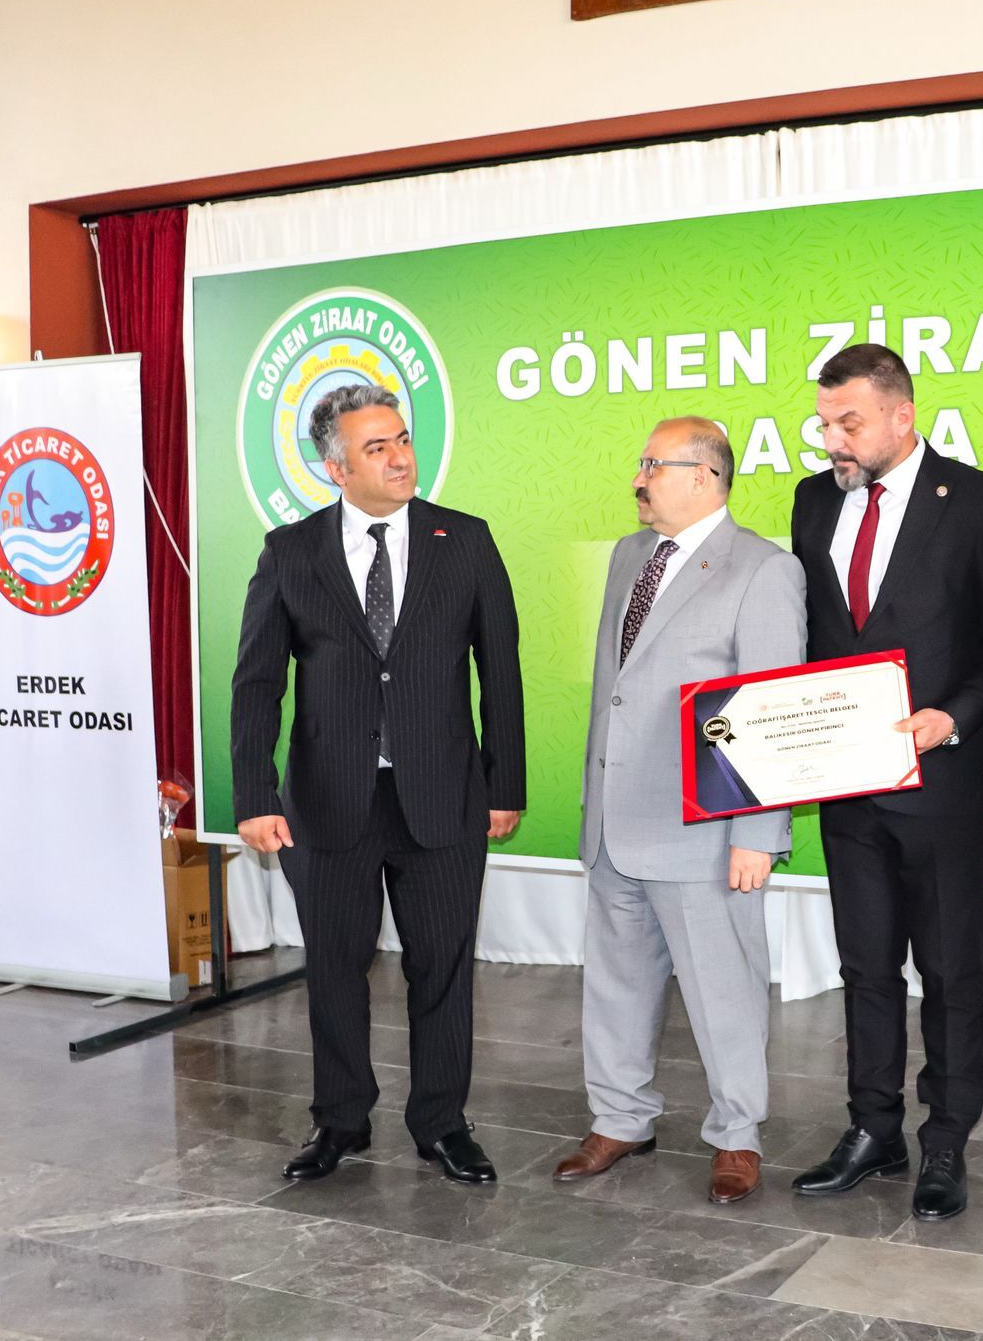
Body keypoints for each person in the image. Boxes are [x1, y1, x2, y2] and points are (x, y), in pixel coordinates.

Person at [231, 383, 524, 1185]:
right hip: (328, 801)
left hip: (444, 796)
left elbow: (500, 669)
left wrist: (505, 784)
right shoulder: (290, 551)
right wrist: (254, 796)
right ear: (335, 468)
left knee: (443, 966)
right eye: (376, 447)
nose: (399, 457)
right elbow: (257, 684)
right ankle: (339, 1120)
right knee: (334, 967)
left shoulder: (465, 539)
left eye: (402, 439)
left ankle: (442, 1123)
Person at [556, 416, 807, 1205]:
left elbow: (771, 709)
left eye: (652, 465)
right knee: (616, 985)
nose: (638, 479)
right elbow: (619, 690)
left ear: (704, 475)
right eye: (640, 464)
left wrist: (758, 834)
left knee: (724, 992)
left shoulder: (763, 569)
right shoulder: (630, 555)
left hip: (705, 832)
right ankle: (620, 1118)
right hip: (615, 822)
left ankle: (737, 1135)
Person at [786, 343, 983, 1221]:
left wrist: (954, 717)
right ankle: (872, 1127)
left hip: (941, 784)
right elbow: (812, 638)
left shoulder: (980, 503)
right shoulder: (812, 501)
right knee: (865, 965)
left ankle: (946, 1138)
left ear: (903, 415)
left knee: (950, 972)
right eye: (824, 423)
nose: (832, 440)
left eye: (850, 422)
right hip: (845, 785)